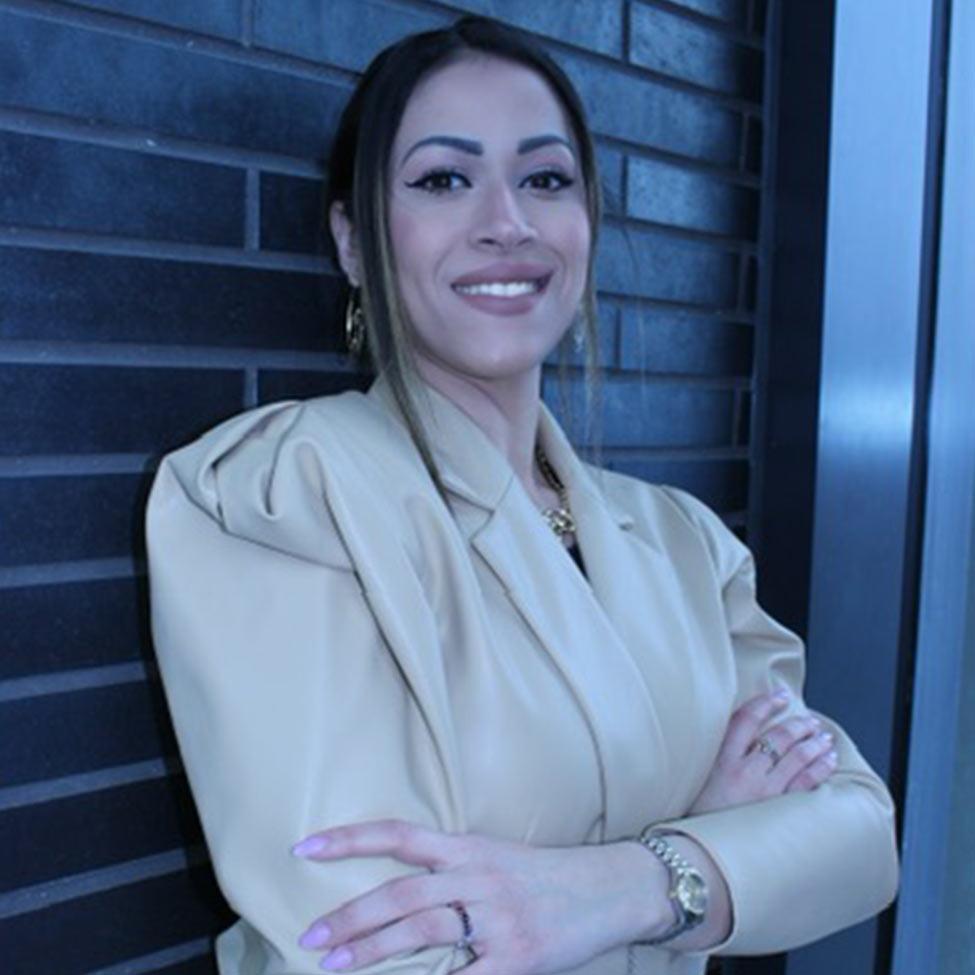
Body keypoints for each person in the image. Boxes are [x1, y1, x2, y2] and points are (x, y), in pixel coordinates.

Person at [146, 16, 898, 975]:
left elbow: (858, 834)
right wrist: (712, 849)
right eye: (442, 179)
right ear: (351, 237)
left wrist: (631, 881)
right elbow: (372, 948)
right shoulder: (282, 493)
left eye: (545, 179)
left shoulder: (683, 544)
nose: (507, 220)